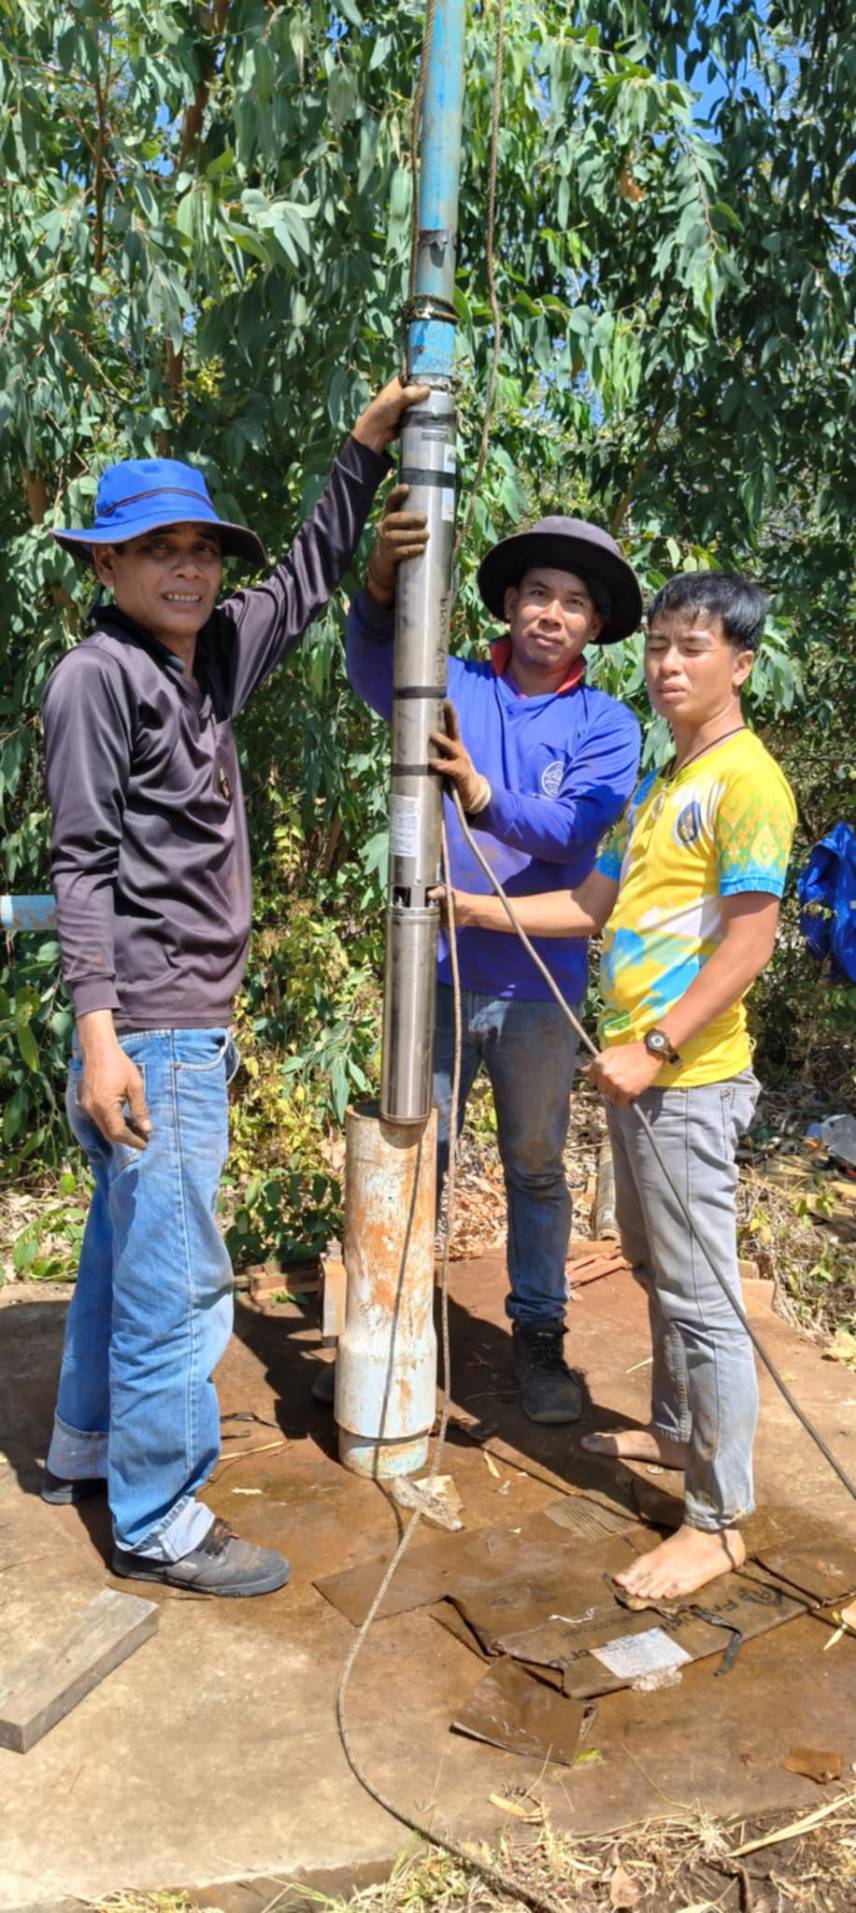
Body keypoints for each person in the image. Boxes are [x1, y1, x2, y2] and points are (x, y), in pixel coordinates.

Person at [40, 376, 427, 1597]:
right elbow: (80, 866)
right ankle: (159, 1519)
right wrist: (101, 1039)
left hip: (180, 1023)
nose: (189, 568)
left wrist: (360, 450)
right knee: (177, 1285)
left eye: (202, 548)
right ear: (105, 563)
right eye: (158, 549)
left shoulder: (203, 663)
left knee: (123, 1252)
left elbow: (303, 581)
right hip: (148, 1027)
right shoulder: (97, 678)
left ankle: (85, 1445)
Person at [444, 571, 797, 1598]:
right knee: (652, 1262)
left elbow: (750, 943)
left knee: (703, 1297)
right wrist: (474, 907)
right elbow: (591, 903)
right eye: (658, 647)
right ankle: (678, 1431)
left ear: (740, 664)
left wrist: (655, 1044)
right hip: (646, 1079)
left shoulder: (746, 783)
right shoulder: (666, 782)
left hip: (685, 1078)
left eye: (694, 648)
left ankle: (718, 1519)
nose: (669, 666)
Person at [343, 502, 642, 1422]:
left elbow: (572, 828)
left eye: (573, 603)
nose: (552, 614)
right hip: (430, 971)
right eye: (537, 593)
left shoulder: (608, 725)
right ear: (509, 602)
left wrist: (478, 792)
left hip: (538, 989)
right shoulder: (453, 683)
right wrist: (380, 583)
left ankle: (540, 1337)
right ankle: (394, 1331)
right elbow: (371, 666)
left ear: (595, 625)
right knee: (415, 1152)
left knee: (536, 1165)